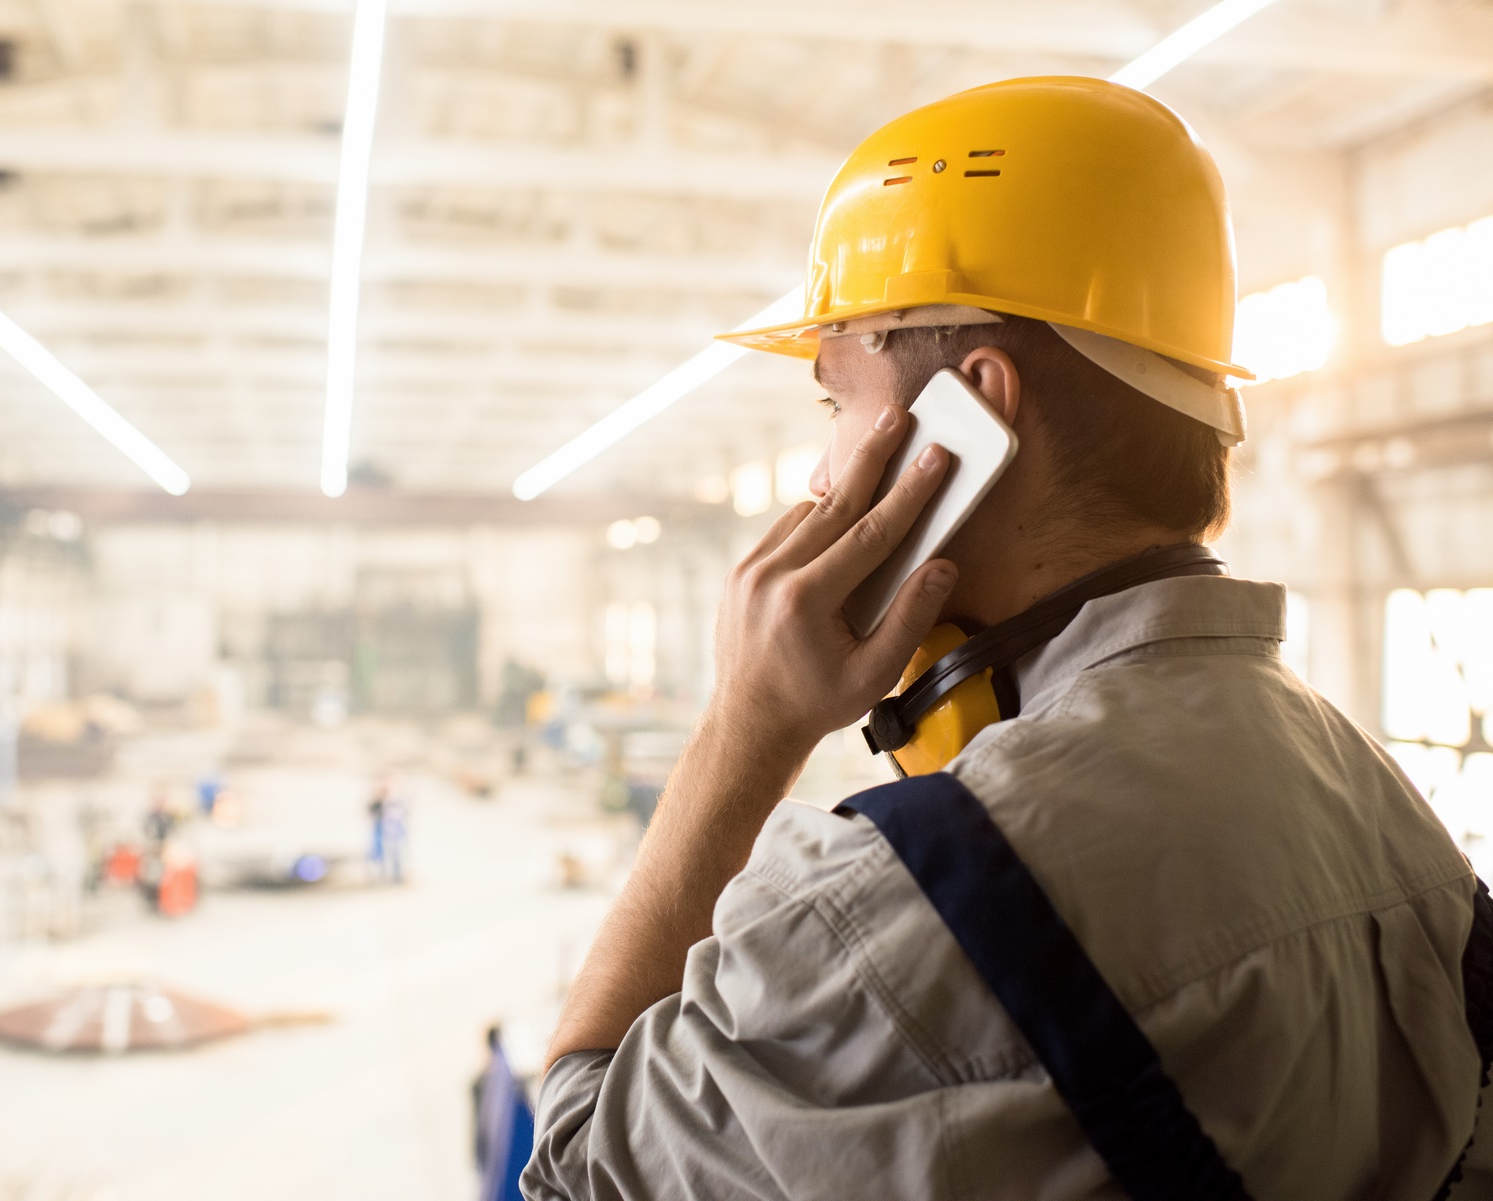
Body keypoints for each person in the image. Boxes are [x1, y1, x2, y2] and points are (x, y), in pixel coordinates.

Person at [524, 78, 1493, 1199]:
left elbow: (576, 1167)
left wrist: (748, 727)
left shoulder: (907, 906)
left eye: (834, 403)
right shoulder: (1397, 830)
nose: (821, 478)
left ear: (972, 413)